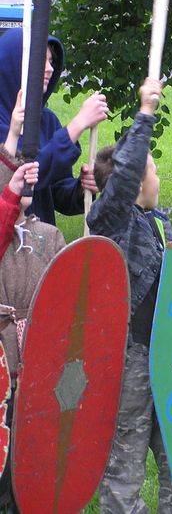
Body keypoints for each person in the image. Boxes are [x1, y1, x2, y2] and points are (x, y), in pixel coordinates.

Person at [89, 79, 172, 512]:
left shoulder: (158, 222)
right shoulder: (112, 222)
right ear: (136, 180)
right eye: (150, 169)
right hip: (132, 358)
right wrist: (145, 114)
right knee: (127, 456)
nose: (156, 177)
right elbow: (123, 178)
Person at [0, 157, 65, 512]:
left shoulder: (50, 235)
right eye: (12, 174)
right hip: (4, 356)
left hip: (39, 355)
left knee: (35, 442)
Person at [0, 28, 107, 224]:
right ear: (14, 64)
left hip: (39, 239)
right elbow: (24, 176)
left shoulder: (47, 120)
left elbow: (57, 190)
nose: (50, 68)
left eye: (51, 61)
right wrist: (77, 125)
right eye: (41, 60)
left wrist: (82, 189)